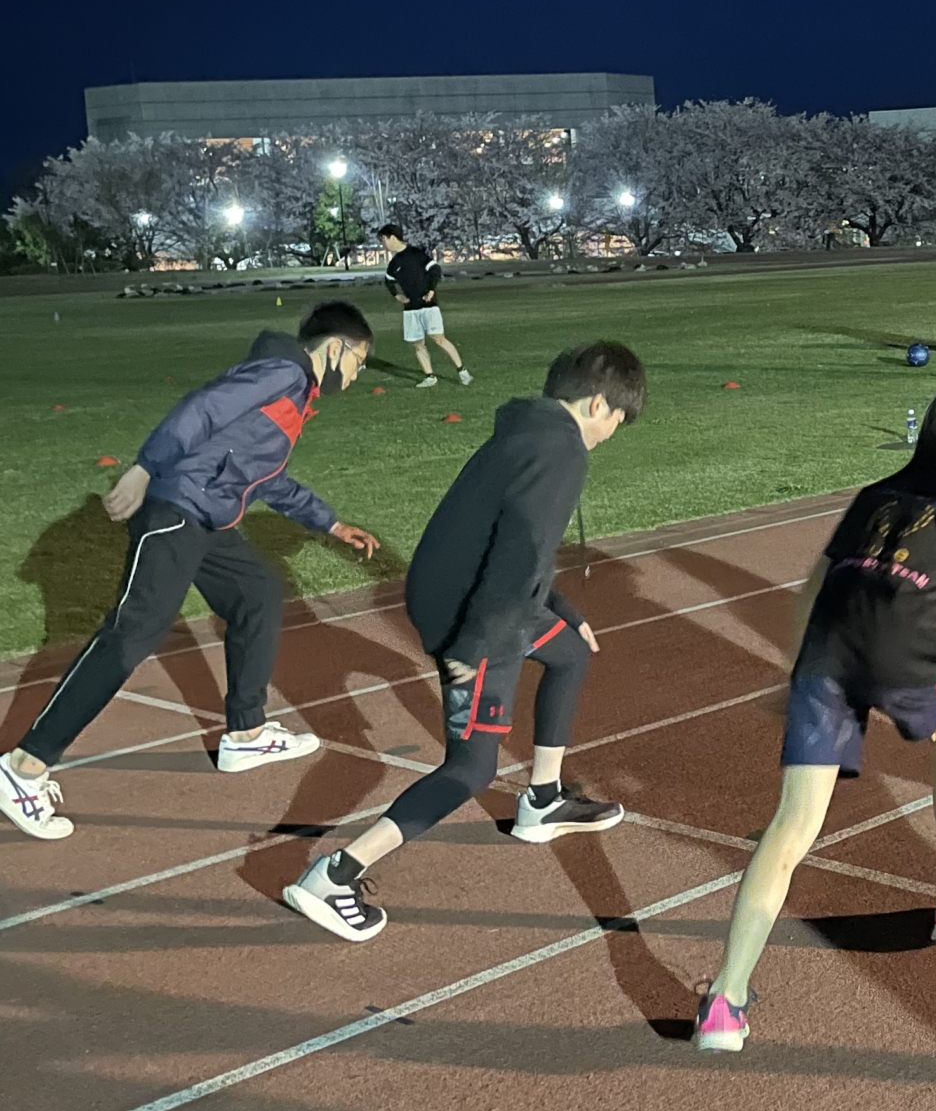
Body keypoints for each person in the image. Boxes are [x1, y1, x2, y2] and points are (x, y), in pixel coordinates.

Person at [694, 384, 936, 1051]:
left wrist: (797, 674)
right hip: (905, 658)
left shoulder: (874, 495)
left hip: (826, 655)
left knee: (792, 824)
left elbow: (810, 590)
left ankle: (726, 998)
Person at [282, 338, 644, 941]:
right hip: (477, 619)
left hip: (479, 601)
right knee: (470, 768)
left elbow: (505, 539)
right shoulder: (563, 452)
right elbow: (517, 555)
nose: (612, 434)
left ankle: (544, 801)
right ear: (599, 404)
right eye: (618, 422)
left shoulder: (527, 432)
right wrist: (471, 651)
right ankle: (333, 876)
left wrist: (559, 606)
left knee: (569, 652)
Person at [0, 304, 382, 843]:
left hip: (208, 516)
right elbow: (202, 408)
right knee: (134, 632)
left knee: (258, 592)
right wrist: (143, 467)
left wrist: (331, 523)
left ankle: (246, 732)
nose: (357, 375)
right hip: (176, 507)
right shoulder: (285, 372)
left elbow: (265, 477)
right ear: (337, 347)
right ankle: (25, 767)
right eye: (359, 361)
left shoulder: (292, 391)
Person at [379, 225, 470, 389]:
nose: (383, 244)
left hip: (428, 305)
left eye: (383, 239)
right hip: (410, 309)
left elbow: (435, 269)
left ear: (392, 237)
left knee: (438, 338)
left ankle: (462, 371)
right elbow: (388, 280)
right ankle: (430, 377)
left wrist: (431, 289)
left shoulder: (416, 254)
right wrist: (396, 295)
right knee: (417, 343)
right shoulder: (394, 263)